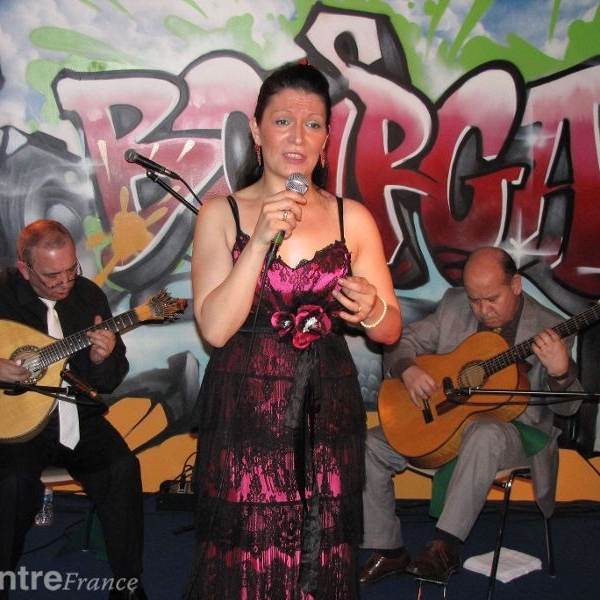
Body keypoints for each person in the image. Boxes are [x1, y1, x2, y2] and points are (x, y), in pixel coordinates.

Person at [184, 63, 401, 599]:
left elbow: (390, 330)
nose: (298, 137)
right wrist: (258, 240)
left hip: (327, 408)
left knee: (320, 545)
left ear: (327, 139)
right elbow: (215, 329)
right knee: (249, 550)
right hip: (247, 411)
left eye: (313, 125)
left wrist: (372, 309)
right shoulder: (220, 213)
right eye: (283, 121)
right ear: (256, 131)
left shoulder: (353, 217)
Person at [360, 246, 583, 586]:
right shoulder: (454, 305)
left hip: (517, 432)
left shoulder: (551, 326)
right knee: (370, 444)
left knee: (484, 431)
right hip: (449, 421)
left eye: (492, 299)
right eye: (475, 300)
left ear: (516, 285)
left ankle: (445, 546)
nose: (483, 310)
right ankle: (389, 549)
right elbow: (402, 340)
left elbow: (569, 408)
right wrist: (407, 369)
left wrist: (560, 372)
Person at [0, 219, 146, 599]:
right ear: (24, 269)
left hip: (76, 416)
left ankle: (128, 584)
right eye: (52, 276)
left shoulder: (88, 297)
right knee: (12, 484)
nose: (65, 282)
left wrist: (103, 358)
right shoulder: (2, 292)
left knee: (122, 468)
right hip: (16, 425)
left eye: (71, 270)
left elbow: (110, 380)